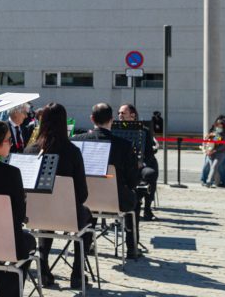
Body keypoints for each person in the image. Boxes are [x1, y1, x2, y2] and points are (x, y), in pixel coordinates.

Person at [25, 103, 93, 289]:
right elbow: (83, 195)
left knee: (46, 219)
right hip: (68, 216)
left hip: (35, 216)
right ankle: (77, 274)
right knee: (87, 216)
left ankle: (44, 266)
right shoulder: (72, 152)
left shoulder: (30, 151)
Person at [74, 103, 140, 259]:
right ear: (111, 120)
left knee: (89, 204)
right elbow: (133, 182)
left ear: (91, 119)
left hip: (85, 200)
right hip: (116, 202)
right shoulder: (124, 145)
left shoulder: (77, 141)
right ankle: (131, 248)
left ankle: (86, 245)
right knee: (135, 200)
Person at [0, 120, 36, 296]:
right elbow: (19, 216)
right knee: (28, 241)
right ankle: (6, 292)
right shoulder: (11, 172)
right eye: (8, 140)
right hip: (8, 243)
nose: (11, 144)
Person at [118, 103, 159, 220]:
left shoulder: (144, 131)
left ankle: (146, 209)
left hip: (139, 166)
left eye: (123, 113)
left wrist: (142, 164)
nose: (120, 115)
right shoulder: (115, 129)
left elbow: (149, 153)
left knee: (151, 173)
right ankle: (134, 201)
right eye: (119, 113)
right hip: (122, 166)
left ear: (132, 115)